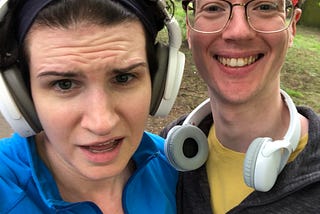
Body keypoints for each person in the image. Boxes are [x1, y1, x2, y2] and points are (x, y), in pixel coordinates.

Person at [0, 0, 185, 213]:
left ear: (159, 81)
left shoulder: (175, 167)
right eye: (64, 84)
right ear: (21, 94)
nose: (101, 123)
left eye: (123, 78)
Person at [161, 0, 320, 213]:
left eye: (264, 7)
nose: (238, 32)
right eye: (213, 7)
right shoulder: (161, 158)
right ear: (190, 31)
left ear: (291, 27)